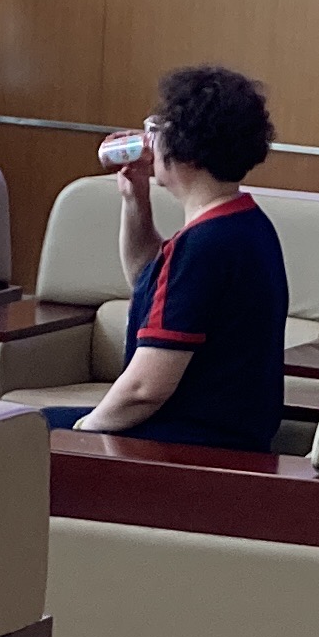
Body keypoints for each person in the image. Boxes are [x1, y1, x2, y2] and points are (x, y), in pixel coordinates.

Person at [68, 64, 288, 451]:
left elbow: (144, 390)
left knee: (17, 436)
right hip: (227, 438)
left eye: (157, 129)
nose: (150, 139)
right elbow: (147, 280)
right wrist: (135, 200)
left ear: (187, 150)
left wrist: (79, 433)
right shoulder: (246, 224)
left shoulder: (204, 246)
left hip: (187, 445)